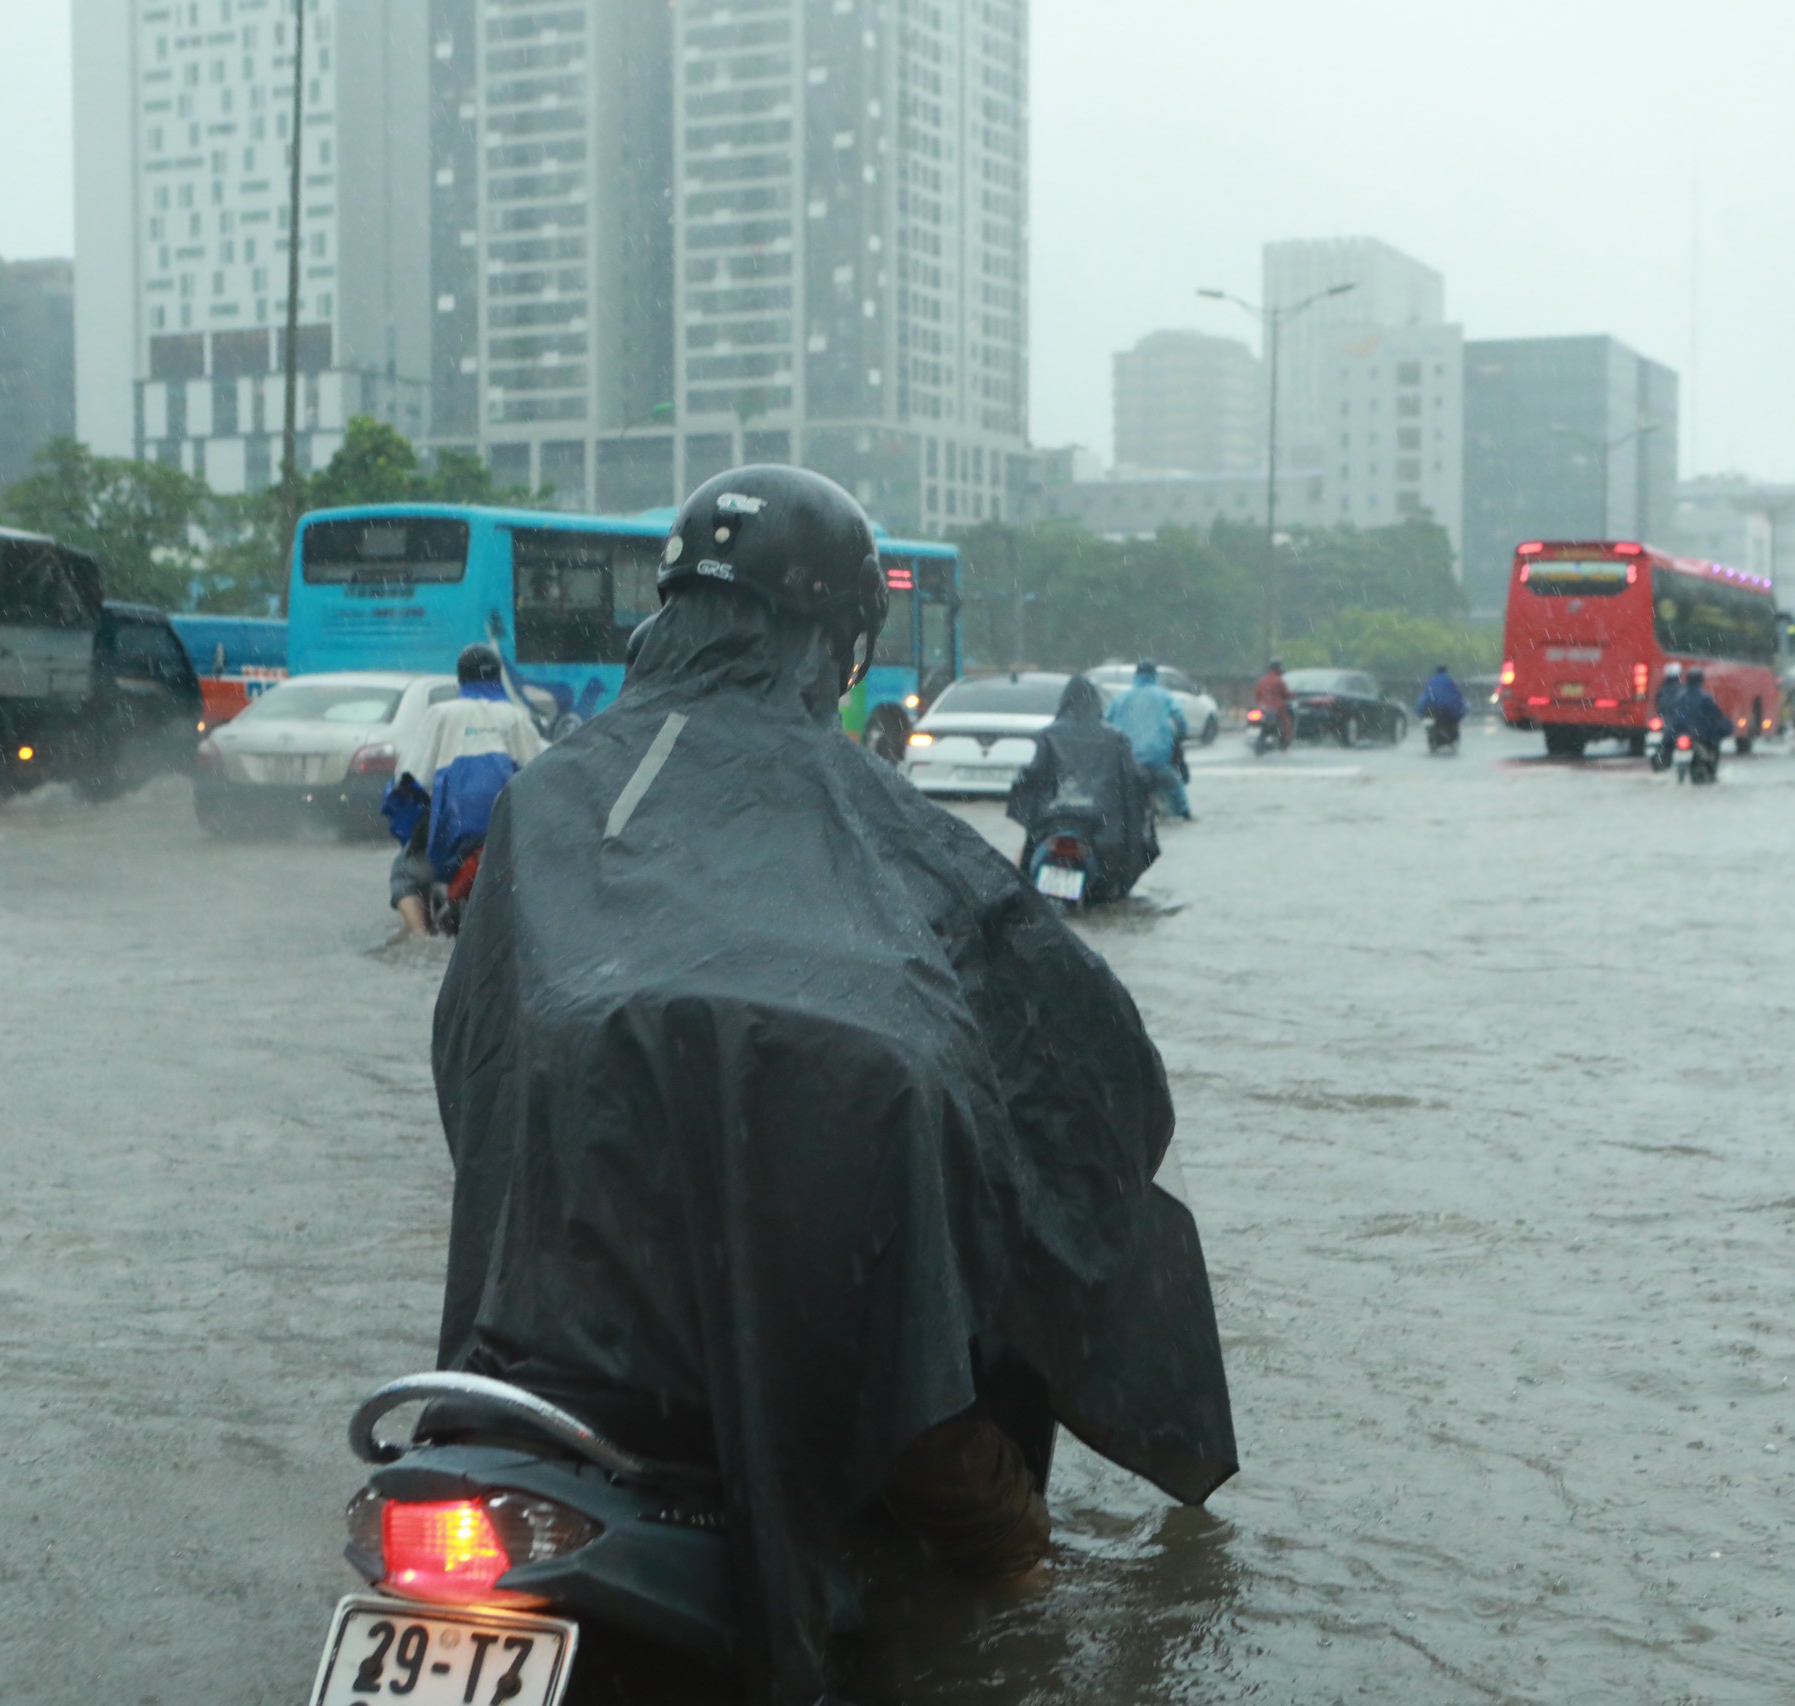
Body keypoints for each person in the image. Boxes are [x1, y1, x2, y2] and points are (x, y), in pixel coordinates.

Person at [427, 467, 1235, 1705]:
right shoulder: (876, 824)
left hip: (531, 1351)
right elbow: (1072, 1047)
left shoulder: (556, 798)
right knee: (1022, 1579)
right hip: (835, 1356)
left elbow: (470, 1057)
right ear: (836, 641)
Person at [383, 643, 545, 936]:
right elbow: (539, 774)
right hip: (505, 828)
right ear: (498, 676)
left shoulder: (441, 714)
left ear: (461, 678)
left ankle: (420, 938)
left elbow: (410, 776)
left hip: (452, 828)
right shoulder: (515, 717)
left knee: (404, 873)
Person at [1006, 674, 1159, 900]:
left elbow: (1032, 777)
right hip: (1103, 831)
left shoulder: (1048, 734)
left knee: (1021, 874)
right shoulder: (1116, 738)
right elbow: (1134, 781)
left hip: (1052, 824)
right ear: (1096, 703)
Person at [1107, 658, 1192, 818]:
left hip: (1128, 760)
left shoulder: (1121, 698)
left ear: (1136, 675)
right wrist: (1182, 734)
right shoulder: (1163, 696)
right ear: (1154, 675)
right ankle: (1184, 813)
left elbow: (1106, 722)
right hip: (1157, 759)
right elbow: (1179, 719)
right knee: (1175, 790)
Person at [1668, 666, 1733, 772]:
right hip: (1700, 735)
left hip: (1680, 733)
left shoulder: (1679, 696)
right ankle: (1711, 770)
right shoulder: (1705, 698)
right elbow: (1716, 716)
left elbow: (1672, 715)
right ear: (1701, 680)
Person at [1416, 664, 1469, 745]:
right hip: (1446, 709)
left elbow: (1425, 696)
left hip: (1431, 708)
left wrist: (1420, 710)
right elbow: (1457, 696)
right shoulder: (1449, 681)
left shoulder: (1431, 681)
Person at [1252, 657, 1294, 749]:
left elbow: (1257, 695)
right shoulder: (1279, 680)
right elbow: (1286, 694)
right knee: (1286, 722)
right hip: (1277, 707)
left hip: (1262, 708)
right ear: (1278, 668)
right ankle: (1285, 740)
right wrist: (1293, 694)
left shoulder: (1262, 680)